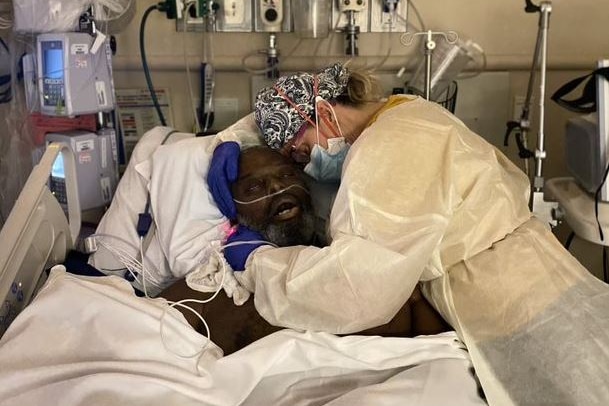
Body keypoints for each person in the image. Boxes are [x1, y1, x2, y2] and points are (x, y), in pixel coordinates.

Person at [207, 63, 609, 404]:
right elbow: (287, 108)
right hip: (535, 267)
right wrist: (231, 140)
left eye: (299, 150)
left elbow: (355, 287)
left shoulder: (383, 151)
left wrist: (262, 265)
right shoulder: (407, 111)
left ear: (325, 114)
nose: (305, 165)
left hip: (511, 296)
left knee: (578, 384)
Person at [162, 145, 450, 354]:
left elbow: (437, 358)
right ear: (235, 212)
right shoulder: (216, 290)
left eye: (287, 176)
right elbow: (145, 336)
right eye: (254, 188)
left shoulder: (370, 264)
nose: (277, 187)